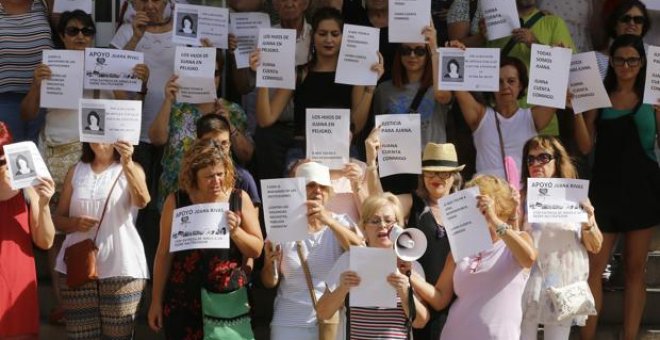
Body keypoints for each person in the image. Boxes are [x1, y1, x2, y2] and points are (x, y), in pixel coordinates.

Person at [19, 9, 150, 324]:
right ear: (62, 36)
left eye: (86, 31)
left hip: (94, 156)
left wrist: (125, 78)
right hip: (55, 150)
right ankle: (65, 301)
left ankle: (95, 292)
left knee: (93, 225)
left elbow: (128, 108)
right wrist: (37, 84)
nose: (80, 37)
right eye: (73, 31)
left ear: (93, 35)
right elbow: (26, 113)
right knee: (57, 227)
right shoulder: (51, 67)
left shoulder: (103, 63)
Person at [574, 34, 660, 340]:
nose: (626, 66)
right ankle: (587, 337)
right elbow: (585, 146)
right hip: (605, 191)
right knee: (594, 268)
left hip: (643, 191)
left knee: (636, 269)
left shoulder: (653, 98)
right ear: (611, 61)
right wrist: (576, 110)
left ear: (642, 63)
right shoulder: (599, 95)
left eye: (633, 60)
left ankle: (631, 336)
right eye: (621, 59)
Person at [148, 139, 263, 339]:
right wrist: (156, 301)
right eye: (209, 177)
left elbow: (256, 249)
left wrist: (236, 232)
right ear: (193, 177)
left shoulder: (239, 198)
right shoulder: (176, 201)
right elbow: (164, 253)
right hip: (183, 300)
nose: (216, 182)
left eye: (220, 174)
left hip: (227, 301)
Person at [250, 7, 382, 172]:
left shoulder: (352, 75)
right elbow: (266, 119)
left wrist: (370, 87)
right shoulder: (299, 73)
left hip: (342, 152)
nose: (329, 40)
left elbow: (357, 125)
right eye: (322, 34)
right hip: (303, 153)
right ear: (313, 36)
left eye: (335, 34)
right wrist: (262, 76)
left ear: (343, 38)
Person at [410, 174, 537, 339]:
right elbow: (440, 298)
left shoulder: (517, 239)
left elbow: (529, 258)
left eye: (481, 202)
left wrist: (493, 219)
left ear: (498, 205)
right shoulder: (462, 247)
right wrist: (408, 274)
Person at [365, 136, 463, 339]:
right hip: (415, 299)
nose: (436, 177)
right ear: (422, 174)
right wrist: (371, 164)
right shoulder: (412, 202)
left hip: (454, 304)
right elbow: (381, 206)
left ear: (454, 176)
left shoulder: (464, 209)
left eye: (444, 173)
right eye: (430, 171)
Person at [52, 139, 150, 339]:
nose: (99, 140)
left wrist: (128, 161)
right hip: (79, 264)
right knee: (81, 336)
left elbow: (142, 201)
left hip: (122, 266)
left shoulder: (132, 168)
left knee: (119, 336)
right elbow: (57, 219)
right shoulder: (76, 170)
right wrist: (75, 223)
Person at [260, 161, 362, 339]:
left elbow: (360, 251)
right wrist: (269, 264)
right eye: (310, 186)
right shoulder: (282, 226)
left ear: (329, 192)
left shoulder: (341, 222)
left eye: (322, 187)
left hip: (329, 323)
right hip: (289, 323)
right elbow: (269, 281)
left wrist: (328, 221)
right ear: (298, 191)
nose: (317, 191)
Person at [519, 135, 603, 340]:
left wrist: (589, 222)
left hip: (564, 281)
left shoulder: (574, 194)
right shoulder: (521, 196)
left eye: (543, 157)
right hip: (529, 280)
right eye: (530, 159)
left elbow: (596, 246)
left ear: (558, 161)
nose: (536, 163)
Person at [316, 193, 430, 338]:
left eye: (389, 221)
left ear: (399, 226)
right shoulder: (348, 260)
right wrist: (342, 289)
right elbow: (322, 312)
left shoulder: (410, 266)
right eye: (375, 221)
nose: (382, 226)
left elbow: (420, 322)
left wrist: (404, 291)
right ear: (364, 228)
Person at [150, 51, 254, 209]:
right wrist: (168, 100)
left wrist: (229, 125)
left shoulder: (232, 110)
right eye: (205, 74)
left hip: (216, 197)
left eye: (216, 73)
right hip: (174, 198)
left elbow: (247, 155)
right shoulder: (177, 109)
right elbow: (156, 139)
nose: (211, 79)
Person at [454, 56, 557, 179]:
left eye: (511, 81)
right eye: (499, 81)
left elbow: (557, 90)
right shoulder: (480, 116)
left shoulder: (532, 117)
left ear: (520, 85)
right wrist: (454, 54)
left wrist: (558, 57)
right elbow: (454, 81)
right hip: (487, 192)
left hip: (522, 194)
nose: (505, 86)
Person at [0, 121, 56, 339]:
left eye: (5, 160)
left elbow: (46, 241)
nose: (2, 166)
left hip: (17, 280)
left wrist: (43, 204)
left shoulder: (27, 188)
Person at [0, 0, 54, 143]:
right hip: (5, 98)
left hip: (46, 95)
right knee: (10, 154)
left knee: (41, 156)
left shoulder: (43, 4)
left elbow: (65, 32)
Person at [595, 1, 651, 78]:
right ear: (615, 24)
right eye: (625, 19)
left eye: (638, 20)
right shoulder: (595, 60)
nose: (631, 23)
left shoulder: (655, 57)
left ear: (643, 26)